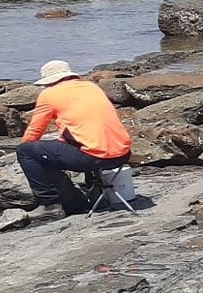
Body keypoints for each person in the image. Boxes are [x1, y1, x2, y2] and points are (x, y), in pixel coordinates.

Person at [17, 60, 133, 220]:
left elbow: (35, 130)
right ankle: (94, 192)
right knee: (81, 141)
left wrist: (28, 150)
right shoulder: (91, 87)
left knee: (26, 152)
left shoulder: (49, 94)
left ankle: (50, 204)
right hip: (122, 155)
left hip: (94, 158)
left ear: (49, 81)